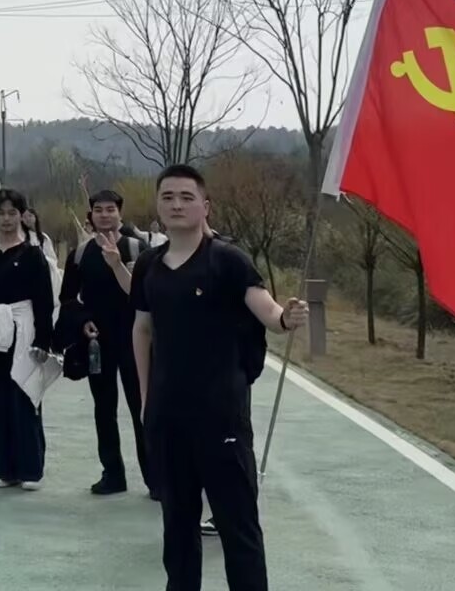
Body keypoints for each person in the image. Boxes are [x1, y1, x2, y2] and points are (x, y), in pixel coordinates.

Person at [133, 164, 309, 591]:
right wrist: (145, 400)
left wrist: (286, 318)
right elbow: (142, 330)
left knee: (238, 527)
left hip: (221, 418)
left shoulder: (227, 260)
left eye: (186, 197)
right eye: (168, 197)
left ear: (205, 206)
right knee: (177, 527)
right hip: (168, 418)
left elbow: (267, 310)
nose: (176, 204)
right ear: (158, 205)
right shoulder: (148, 265)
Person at [0, 188, 78, 490]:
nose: (6, 219)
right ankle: (4, 469)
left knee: (25, 396)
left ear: (22, 215)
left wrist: (44, 341)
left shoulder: (32, 254)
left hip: (24, 329)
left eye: (12, 213)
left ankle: (31, 469)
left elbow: (43, 300)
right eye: (1, 213)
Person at [60, 188, 152, 498]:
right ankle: (113, 474)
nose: (104, 215)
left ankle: (155, 477)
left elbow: (150, 294)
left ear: (120, 213)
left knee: (142, 407)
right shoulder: (81, 254)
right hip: (97, 342)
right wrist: (83, 320)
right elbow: (67, 298)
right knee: (104, 408)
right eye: (98, 210)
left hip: (135, 340)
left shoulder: (138, 249)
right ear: (91, 215)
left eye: (110, 209)